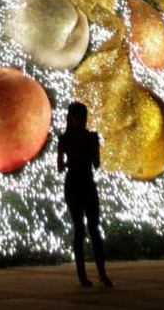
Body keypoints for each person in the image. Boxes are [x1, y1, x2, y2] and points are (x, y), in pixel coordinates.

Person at [57, 101, 113, 288]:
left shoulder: (88, 138)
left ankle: (101, 273)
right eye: (77, 116)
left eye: (82, 116)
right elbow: (60, 166)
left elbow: (96, 163)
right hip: (75, 184)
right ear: (71, 118)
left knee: (94, 228)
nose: (80, 120)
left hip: (85, 183)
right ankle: (84, 275)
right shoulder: (65, 139)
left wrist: (89, 154)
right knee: (81, 229)